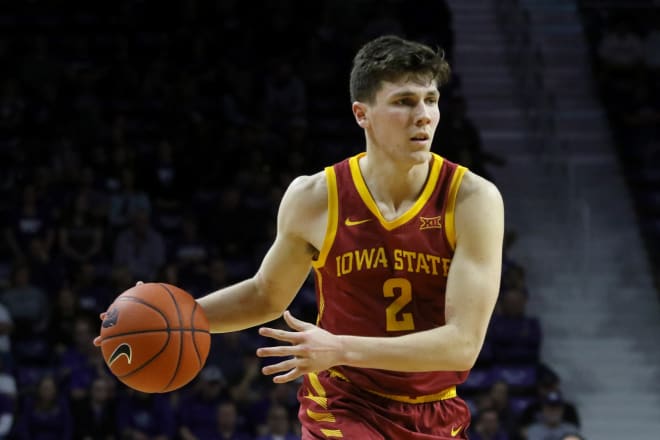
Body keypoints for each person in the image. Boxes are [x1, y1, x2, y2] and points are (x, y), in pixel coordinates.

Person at [96, 34, 504, 439]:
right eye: (404, 102)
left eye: (431, 100)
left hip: (435, 410)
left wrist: (339, 347)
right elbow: (266, 295)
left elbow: (462, 344)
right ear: (361, 114)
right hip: (344, 402)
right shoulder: (316, 197)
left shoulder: (471, 199)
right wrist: (171, 318)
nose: (424, 115)